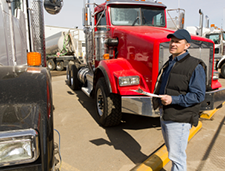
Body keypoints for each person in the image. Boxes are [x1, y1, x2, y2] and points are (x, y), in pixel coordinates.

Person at [152, 29, 206, 171]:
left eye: (177, 42)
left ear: (187, 45)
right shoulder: (171, 62)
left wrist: (173, 100)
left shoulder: (195, 66)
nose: (173, 44)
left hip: (179, 119)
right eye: (172, 41)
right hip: (167, 115)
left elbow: (199, 95)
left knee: (177, 158)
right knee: (173, 154)